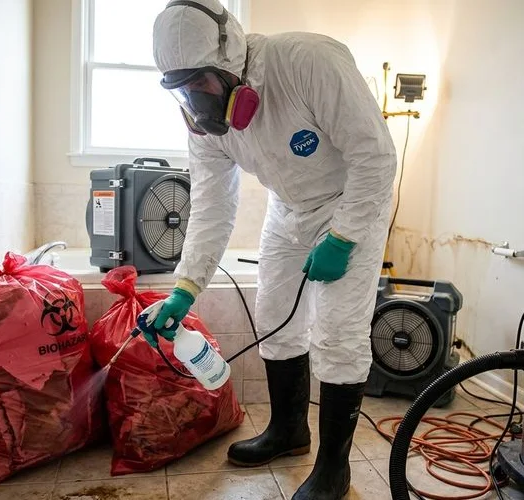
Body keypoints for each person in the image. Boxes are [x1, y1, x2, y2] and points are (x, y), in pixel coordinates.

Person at [150, 1, 397, 498]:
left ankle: (334, 467)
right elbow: (213, 207)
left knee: (339, 335)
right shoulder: (205, 126)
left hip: (351, 204)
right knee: (273, 316)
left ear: (231, 59)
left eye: (201, 84)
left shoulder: (307, 63)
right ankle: (290, 432)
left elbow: (376, 155)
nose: (196, 102)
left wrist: (345, 236)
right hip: (288, 210)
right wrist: (185, 288)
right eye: (181, 89)